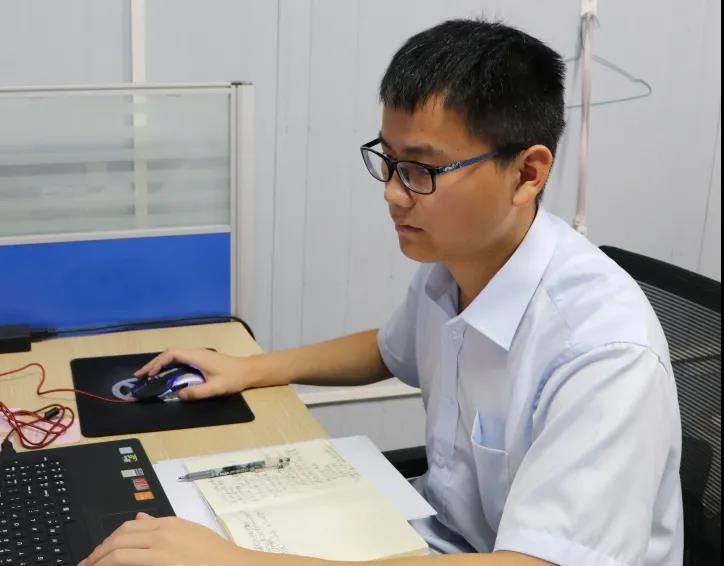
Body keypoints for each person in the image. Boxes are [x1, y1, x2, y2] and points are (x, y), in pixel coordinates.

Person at [80, 18, 683, 566]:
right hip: (438, 537)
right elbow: (389, 350)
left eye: (421, 170)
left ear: (527, 173)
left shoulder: (604, 354)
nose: (393, 193)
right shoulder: (457, 263)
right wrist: (252, 369)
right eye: (388, 161)